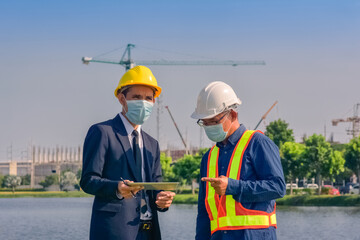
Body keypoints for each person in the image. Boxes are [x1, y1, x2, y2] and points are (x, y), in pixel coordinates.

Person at [80, 65, 175, 240]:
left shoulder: (152, 144)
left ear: (154, 102)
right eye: (137, 97)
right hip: (114, 231)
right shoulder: (102, 132)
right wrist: (116, 188)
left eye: (148, 98)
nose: (144, 102)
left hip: (148, 231)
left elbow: (156, 184)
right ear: (122, 98)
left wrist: (163, 199)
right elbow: (88, 181)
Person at [191, 81, 286, 240]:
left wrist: (233, 186)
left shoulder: (258, 143)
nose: (208, 127)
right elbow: (204, 212)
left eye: (213, 121)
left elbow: (277, 187)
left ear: (233, 114)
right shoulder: (208, 158)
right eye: (204, 122)